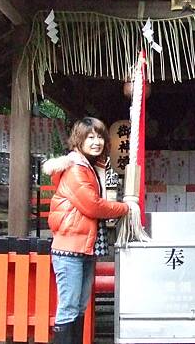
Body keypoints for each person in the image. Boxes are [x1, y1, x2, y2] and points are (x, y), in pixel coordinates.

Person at [43, 117, 130, 344]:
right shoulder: (76, 169)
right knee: (70, 307)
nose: (96, 142)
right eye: (90, 137)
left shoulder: (90, 167)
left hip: (83, 246)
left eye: (100, 136)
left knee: (79, 306)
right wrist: (126, 208)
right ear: (78, 140)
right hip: (70, 247)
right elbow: (92, 205)